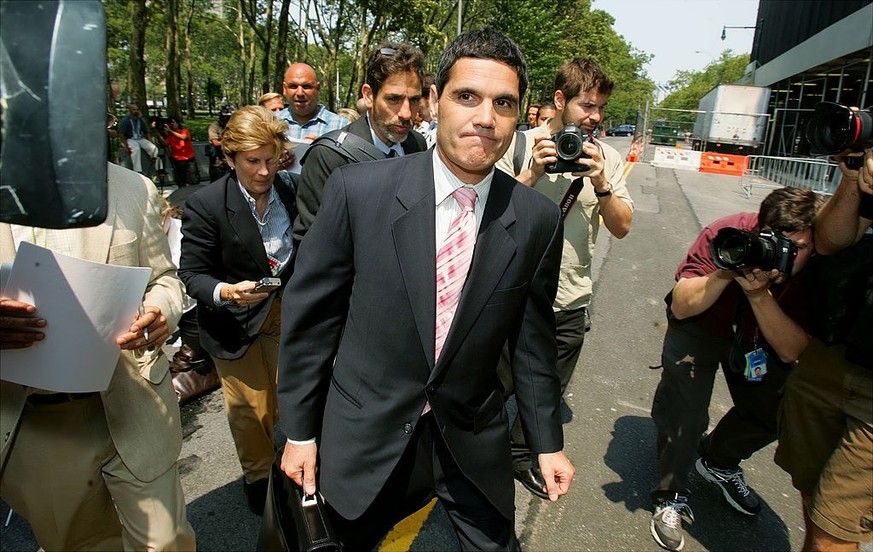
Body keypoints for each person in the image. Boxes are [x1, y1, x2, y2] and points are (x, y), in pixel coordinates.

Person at [276, 27, 575, 551]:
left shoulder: (537, 219)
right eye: (467, 96)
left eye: (503, 103)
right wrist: (300, 431)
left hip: (469, 439)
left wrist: (546, 442)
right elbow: (311, 321)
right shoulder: (359, 192)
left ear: (520, 113)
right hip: (366, 435)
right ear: (436, 101)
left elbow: (531, 344)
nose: (485, 117)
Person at [0, 163, 195, 551]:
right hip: (36, 422)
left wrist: (160, 311)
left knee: (167, 542)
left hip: (134, 404)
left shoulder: (130, 186)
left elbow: (165, 280)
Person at [649, 187, 822, 552]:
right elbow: (681, 307)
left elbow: (792, 351)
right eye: (775, 242)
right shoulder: (729, 234)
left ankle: (717, 459)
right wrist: (727, 270)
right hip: (701, 325)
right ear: (760, 228)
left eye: (798, 248)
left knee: (779, 406)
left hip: (760, 334)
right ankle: (671, 494)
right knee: (686, 412)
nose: (782, 256)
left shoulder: (822, 264)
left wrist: (759, 295)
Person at [495, 57, 633, 500]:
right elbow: (488, 217)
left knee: (546, 391)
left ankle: (521, 452)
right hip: (510, 296)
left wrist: (603, 183)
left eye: (600, 109)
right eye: (587, 106)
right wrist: (531, 173)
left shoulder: (605, 157)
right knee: (488, 385)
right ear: (560, 100)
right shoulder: (517, 145)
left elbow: (622, 226)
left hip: (569, 299)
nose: (594, 117)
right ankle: (463, 452)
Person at [179, 105, 298, 515]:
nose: (264, 171)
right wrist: (225, 291)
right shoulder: (206, 204)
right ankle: (260, 482)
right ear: (229, 158)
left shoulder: (292, 190)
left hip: (285, 314)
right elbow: (191, 273)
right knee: (252, 411)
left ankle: (291, 463)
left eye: (271, 159)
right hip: (235, 323)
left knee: (290, 399)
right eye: (252, 161)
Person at [774, 148, 873, 552]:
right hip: (832, 352)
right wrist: (852, 180)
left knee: (835, 530)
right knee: (813, 494)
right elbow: (831, 241)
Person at [293, 42, 428, 239]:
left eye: (414, 100)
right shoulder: (328, 156)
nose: (406, 113)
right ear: (368, 96)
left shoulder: (417, 144)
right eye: (393, 99)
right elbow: (310, 240)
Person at [275, 62, 348, 141]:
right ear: (284, 89)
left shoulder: (342, 126)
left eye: (306, 86)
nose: (300, 93)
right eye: (293, 86)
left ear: (318, 88)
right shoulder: (270, 124)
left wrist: (323, 150)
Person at [156, 116, 200, 187]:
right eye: (170, 123)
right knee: (180, 181)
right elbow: (165, 143)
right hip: (178, 161)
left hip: (189, 160)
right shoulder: (170, 136)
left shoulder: (184, 131)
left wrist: (170, 131)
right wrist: (157, 132)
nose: (172, 124)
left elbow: (184, 137)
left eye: (173, 122)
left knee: (193, 180)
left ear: (178, 123)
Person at [118, 103, 160, 175]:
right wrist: (125, 146)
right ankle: (138, 170)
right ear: (130, 110)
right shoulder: (125, 120)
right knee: (136, 149)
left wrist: (150, 142)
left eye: (137, 110)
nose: (136, 111)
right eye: (134, 110)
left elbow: (147, 132)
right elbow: (121, 133)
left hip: (139, 138)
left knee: (154, 149)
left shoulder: (140, 120)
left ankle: (156, 167)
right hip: (130, 139)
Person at [207, 109, 232, 182]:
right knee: (217, 177)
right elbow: (215, 142)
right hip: (218, 156)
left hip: (228, 156)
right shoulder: (214, 126)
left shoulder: (232, 126)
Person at [415, 73, 438, 148]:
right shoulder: (431, 126)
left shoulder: (443, 130)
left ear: (431, 97)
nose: (416, 109)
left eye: (416, 100)